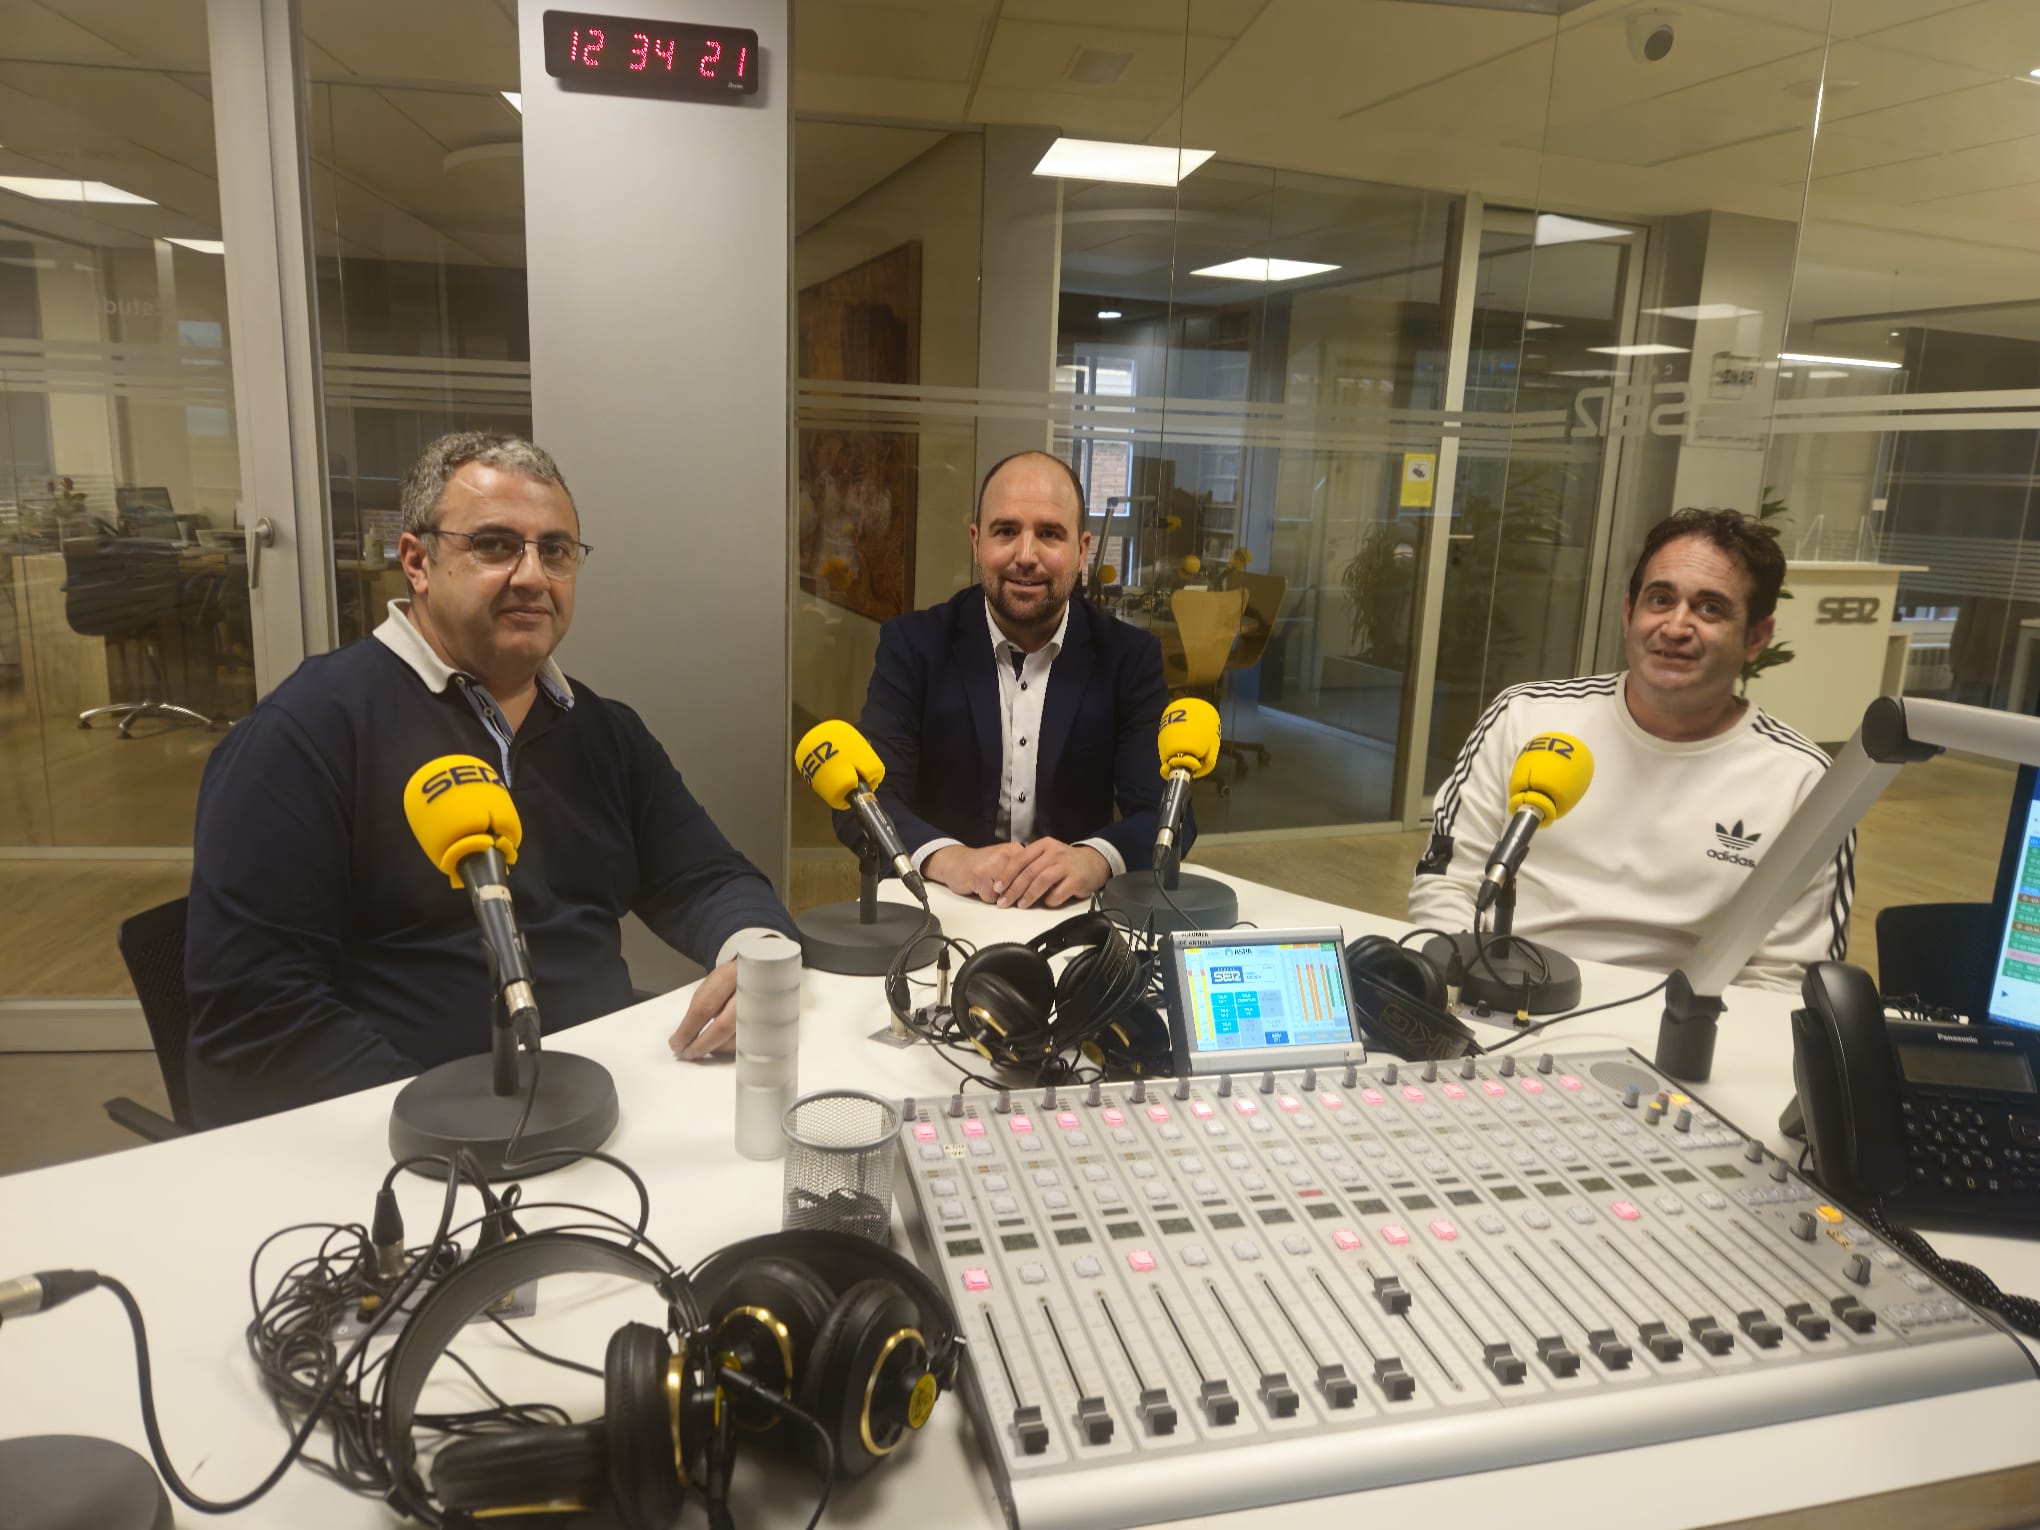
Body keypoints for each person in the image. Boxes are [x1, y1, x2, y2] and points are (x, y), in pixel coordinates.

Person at [184, 432, 796, 1126]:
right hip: (416, 1138)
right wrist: (445, 1139)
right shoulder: (305, 734)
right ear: (417, 561)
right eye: (496, 545)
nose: (533, 576)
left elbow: (708, 877)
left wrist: (757, 961)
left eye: (556, 551)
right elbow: (259, 1016)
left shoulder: (603, 730)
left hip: (607, 1099)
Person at [1409, 507, 1853, 992]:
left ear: (1756, 638)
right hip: (1500, 994)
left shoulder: (1804, 783)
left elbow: (1784, 975)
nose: (1677, 626)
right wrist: (1466, 985)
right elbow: (1448, 882)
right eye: (1660, 599)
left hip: (1679, 1030)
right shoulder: (1525, 717)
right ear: (1628, 613)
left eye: (1710, 609)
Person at [838, 449, 1185, 910]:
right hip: (944, 905)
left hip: (1077, 911)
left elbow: (1171, 815)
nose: (1026, 556)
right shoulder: (913, 646)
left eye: (1049, 534)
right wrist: (951, 859)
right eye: (1006, 531)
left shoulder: (1128, 658)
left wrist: (1095, 859)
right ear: (977, 542)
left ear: (1082, 551)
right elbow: (861, 802)